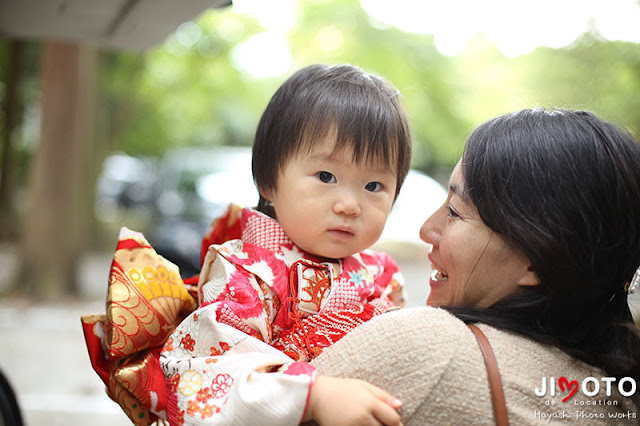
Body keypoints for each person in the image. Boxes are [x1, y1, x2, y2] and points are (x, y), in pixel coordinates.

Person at [306, 108, 640, 425]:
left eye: (454, 211)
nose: (426, 230)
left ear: (537, 261)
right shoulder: (617, 393)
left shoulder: (431, 349)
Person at [158, 63, 412, 425]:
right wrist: (312, 396)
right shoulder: (242, 274)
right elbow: (204, 376)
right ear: (268, 181)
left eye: (374, 186)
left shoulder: (382, 276)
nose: (350, 205)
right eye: (326, 176)